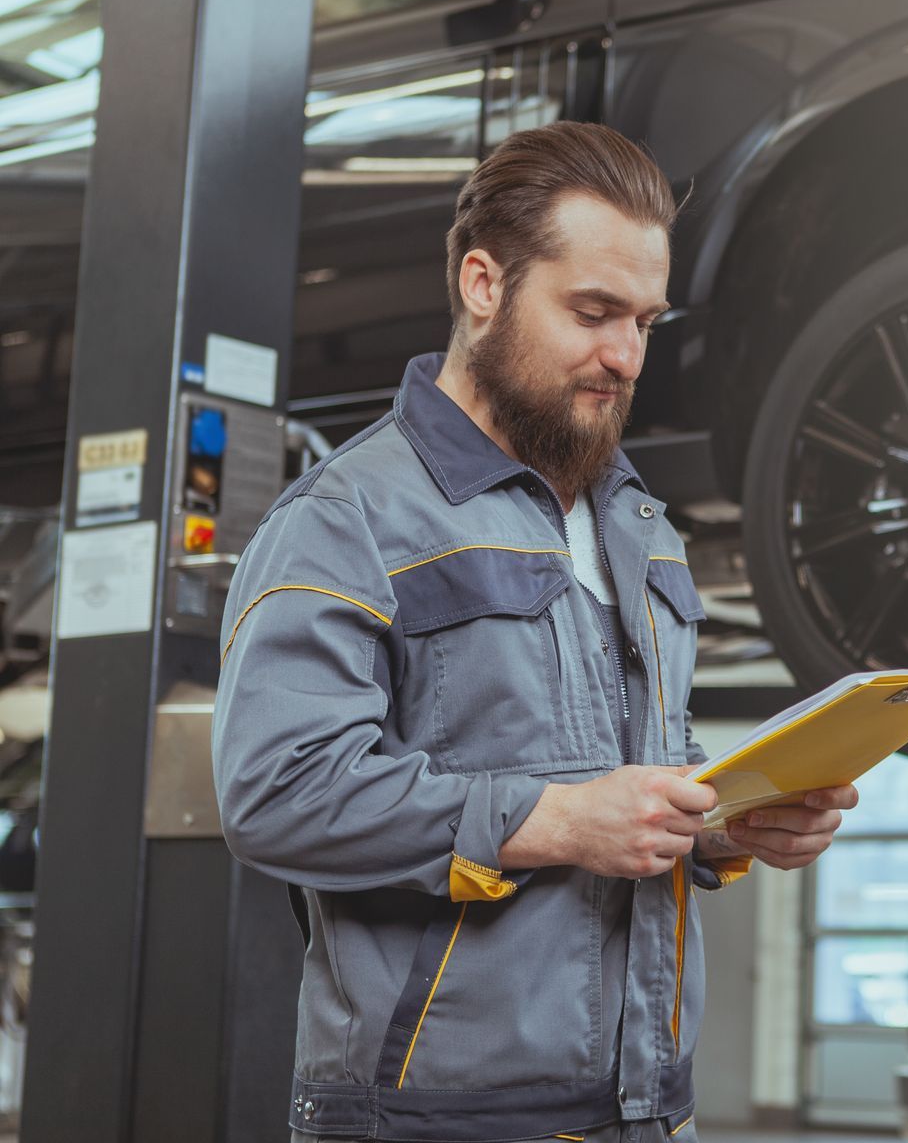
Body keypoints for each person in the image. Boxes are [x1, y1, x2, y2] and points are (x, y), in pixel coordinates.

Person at [212, 122, 856, 1143]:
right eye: (593, 312)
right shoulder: (346, 519)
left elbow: (624, 768)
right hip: (432, 1118)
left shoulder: (636, 524)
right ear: (483, 284)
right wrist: (554, 820)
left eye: (645, 319)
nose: (625, 355)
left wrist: (728, 821)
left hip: (648, 1107)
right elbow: (277, 790)